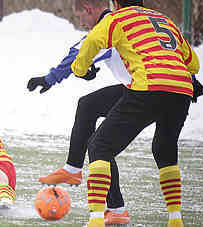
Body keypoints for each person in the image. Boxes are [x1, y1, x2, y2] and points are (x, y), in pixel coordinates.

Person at [70, 0, 200, 226]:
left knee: (99, 146)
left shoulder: (117, 18)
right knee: (164, 149)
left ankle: (96, 220)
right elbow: (193, 63)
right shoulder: (164, 20)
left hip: (148, 86)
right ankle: (175, 220)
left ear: (116, 3)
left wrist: (80, 69)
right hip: (181, 90)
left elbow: (92, 41)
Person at [28, 2, 131, 225]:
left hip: (143, 93)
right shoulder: (131, 23)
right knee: (89, 107)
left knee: (100, 144)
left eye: (79, 17)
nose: (81, 23)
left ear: (88, 8)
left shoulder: (108, 26)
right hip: (149, 87)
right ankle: (109, 202)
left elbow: (78, 53)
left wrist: (49, 79)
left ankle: (76, 172)